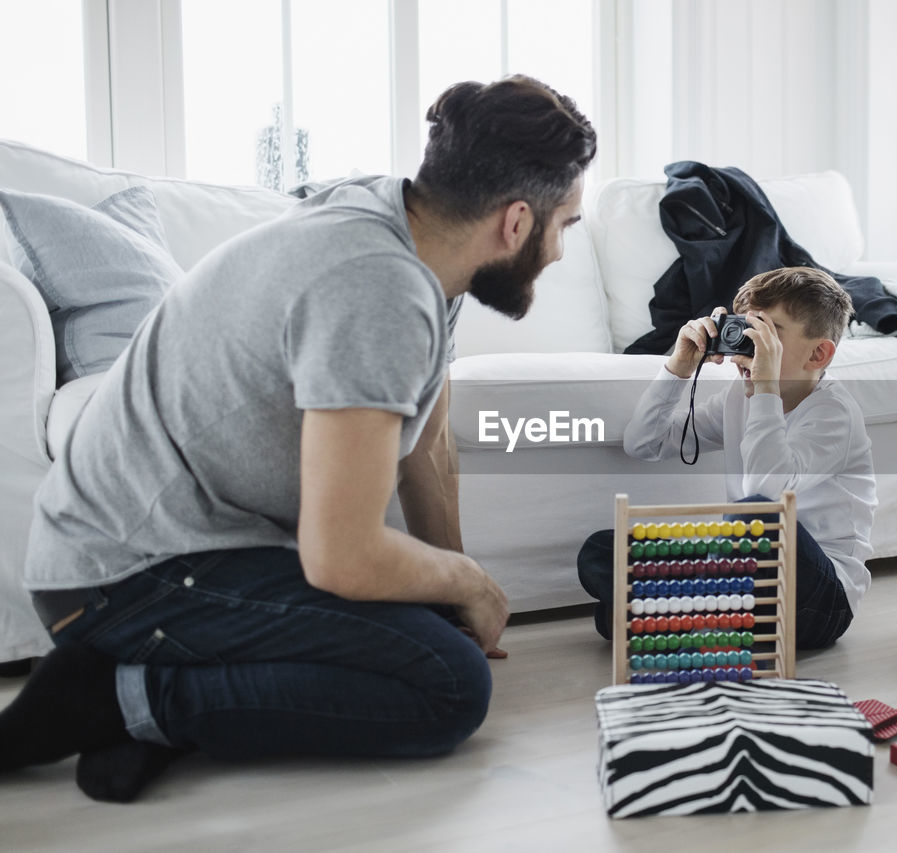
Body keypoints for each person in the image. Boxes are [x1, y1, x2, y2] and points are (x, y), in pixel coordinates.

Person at [0, 75, 596, 801]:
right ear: (514, 222)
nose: (562, 251)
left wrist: (453, 594)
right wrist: (468, 582)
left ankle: (144, 700)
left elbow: (428, 448)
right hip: (118, 570)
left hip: (186, 540)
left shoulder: (413, 232)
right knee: (448, 686)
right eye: (564, 225)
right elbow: (341, 555)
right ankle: (119, 699)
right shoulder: (376, 290)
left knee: (430, 622)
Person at [578, 266, 876, 650]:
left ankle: (676, 617)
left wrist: (766, 389)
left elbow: (766, 494)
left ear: (818, 353)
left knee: (757, 514)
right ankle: (710, 618)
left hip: (819, 597)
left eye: (767, 335)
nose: (745, 348)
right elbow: (644, 442)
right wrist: (678, 368)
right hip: (743, 576)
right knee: (602, 551)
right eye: (744, 329)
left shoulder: (834, 413)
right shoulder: (741, 398)